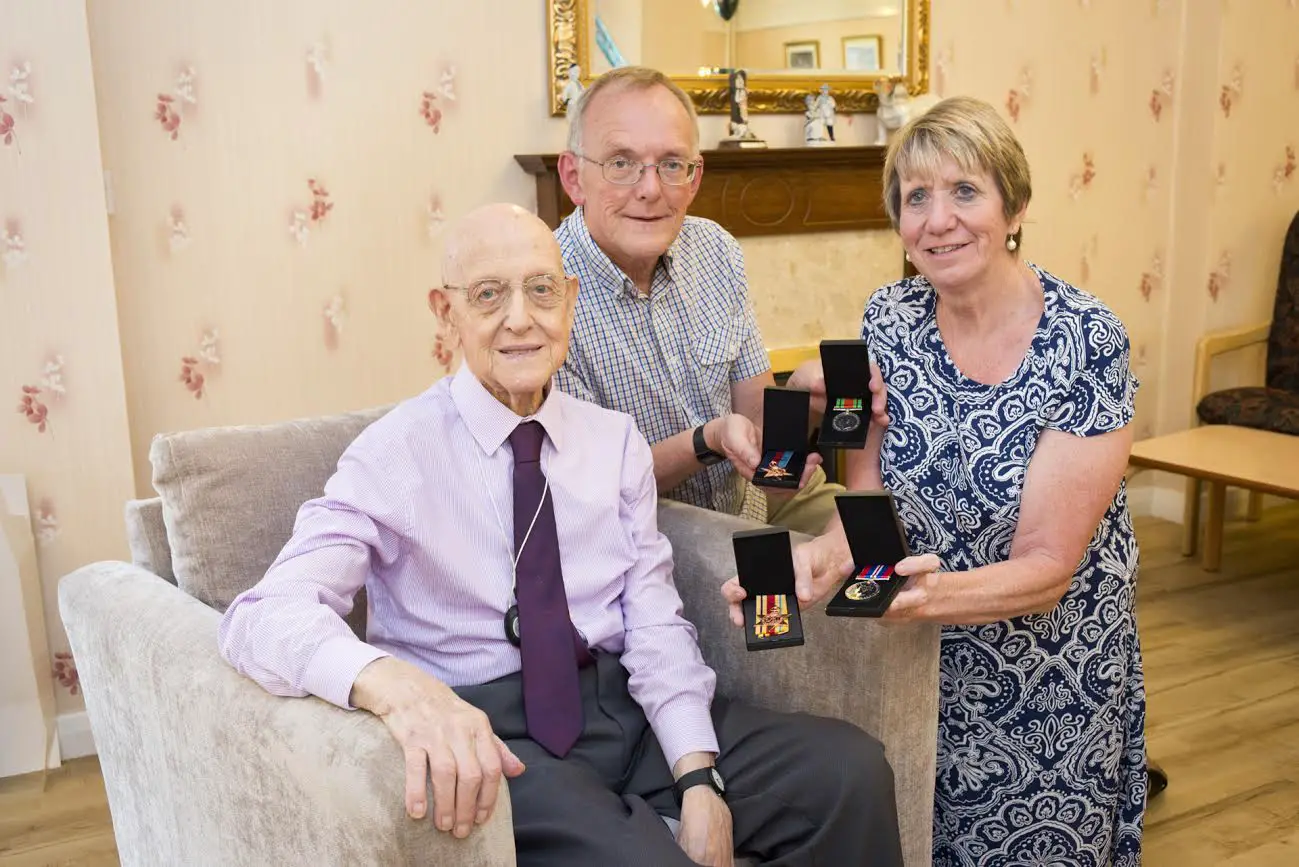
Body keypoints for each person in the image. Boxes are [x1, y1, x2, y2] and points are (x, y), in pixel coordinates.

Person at [218, 202, 903, 867]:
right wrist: (395, 686)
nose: (520, 319)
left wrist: (697, 778)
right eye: (488, 294)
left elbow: (653, 622)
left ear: (568, 301)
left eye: (540, 290)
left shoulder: (613, 443)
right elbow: (263, 615)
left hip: (622, 709)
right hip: (496, 736)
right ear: (444, 312)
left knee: (847, 774)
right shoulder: (392, 454)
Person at [722, 96, 1146, 866]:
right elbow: (870, 501)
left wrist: (913, 599)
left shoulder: (1086, 341)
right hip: (920, 666)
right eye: (915, 197)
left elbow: (1048, 568)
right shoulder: (888, 319)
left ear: (1013, 206)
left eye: (964, 191)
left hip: (1048, 677)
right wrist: (815, 563)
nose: (937, 219)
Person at [553, 66, 850, 538]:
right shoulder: (542, 297)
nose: (650, 189)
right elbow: (594, 487)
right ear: (573, 177)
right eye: (621, 163)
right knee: (779, 591)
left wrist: (803, 398)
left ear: (694, 179)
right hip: (645, 530)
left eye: (671, 164)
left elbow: (755, 416)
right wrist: (708, 440)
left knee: (889, 545)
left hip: (756, 502)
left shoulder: (715, 249)